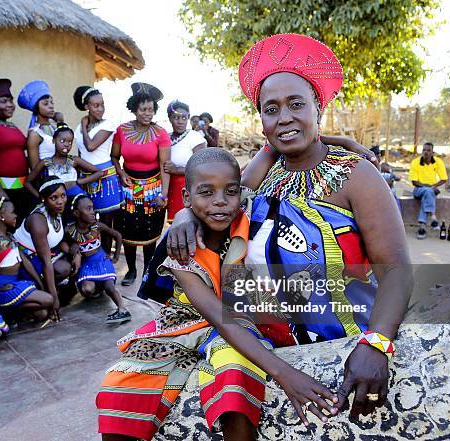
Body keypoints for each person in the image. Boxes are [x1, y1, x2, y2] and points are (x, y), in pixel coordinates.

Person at [167, 34, 413, 422]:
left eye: (296, 105)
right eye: (271, 109)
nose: (283, 117)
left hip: (350, 343)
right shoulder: (263, 174)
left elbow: (396, 268)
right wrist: (183, 217)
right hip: (276, 350)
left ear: (318, 106)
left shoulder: (357, 176)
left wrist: (377, 343)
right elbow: (213, 202)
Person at [97, 148, 340, 441]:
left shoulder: (246, 218)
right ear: (187, 198)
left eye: (230, 192)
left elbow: (275, 147)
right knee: (118, 387)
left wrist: (335, 139)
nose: (220, 201)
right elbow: (215, 316)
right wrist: (286, 374)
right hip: (184, 321)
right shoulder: (181, 247)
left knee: (234, 378)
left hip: (237, 318)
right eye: (206, 192)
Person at [111, 83, 171, 286]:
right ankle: (131, 270)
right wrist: (121, 173)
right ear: (134, 109)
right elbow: (114, 157)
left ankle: (147, 271)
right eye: (143, 109)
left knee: (150, 231)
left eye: (151, 110)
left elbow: (165, 166)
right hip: (128, 188)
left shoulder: (161, 133)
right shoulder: (121, 130)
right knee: (127, 229)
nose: (148, 113)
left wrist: (163, 194)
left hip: (152, 188)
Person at [14, 177, 79, 320]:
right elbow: (46, 262)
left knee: (68, 266)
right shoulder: (38, 220)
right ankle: (17, 303)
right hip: (24, 264)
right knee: (42, 313)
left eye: (63, 196)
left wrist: (75, 253)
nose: (60, 201)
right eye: (53, 198)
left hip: (39, 257)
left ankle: (45, 291)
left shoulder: (57, 212)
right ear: (43, 199)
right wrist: (54, 298)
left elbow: (58, 240)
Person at [0, 197, 55, 323]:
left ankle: (12, 311)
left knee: (42, 314)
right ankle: (5, 309)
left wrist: (41, 284)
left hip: (14, 285)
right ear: (1, 216)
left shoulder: (10, 237)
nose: (16, 215)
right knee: (49, 300)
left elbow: (25, 262)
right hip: (2, 288)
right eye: (12, 212)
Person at [73, 85, 124, 253]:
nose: (100, 108)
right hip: (86, 178)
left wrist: (83, 123)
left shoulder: (109, 124)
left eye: (102, 104)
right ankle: (89, 254)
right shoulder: (78, 129)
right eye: (95, 105)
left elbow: (91, 146)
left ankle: (106, 256)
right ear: (86, 106)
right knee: (85, 219)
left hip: (105, 179)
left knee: (106, 221)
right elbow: (80, 154)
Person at [66, 194, 131, 323]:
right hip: (87, 265)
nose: (93, 212)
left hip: (101, 260)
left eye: (92, 208)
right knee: (87, 290)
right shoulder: (70, 230)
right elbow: (65, 245)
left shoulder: (98, 226)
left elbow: (118, 235)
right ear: (77, 213)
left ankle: (123, 310)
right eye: (88, 209)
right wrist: (74, 249)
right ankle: (99, 286)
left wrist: (115, 257)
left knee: (110, 287)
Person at [0, 79, 35, 221]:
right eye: (4, 101)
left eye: (11, 100)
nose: (10, 105)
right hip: (3, 189)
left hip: (21, 188)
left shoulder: (12, 126)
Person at [25, 123, 102, 199]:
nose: (66, 145)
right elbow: (27, 182)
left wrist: (80, 181)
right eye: (62, 141)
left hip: (76, 198)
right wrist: (41, 198)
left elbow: (99, 172)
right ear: (53, 140)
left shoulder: (74, 160)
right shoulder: (45, 162)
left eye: (70, 142)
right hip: (57, 202)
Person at [163, 100, 207, 222]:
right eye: (176, 117)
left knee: (187, 225)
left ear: (188, 117)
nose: (180, 121)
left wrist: (176, 170)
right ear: (169, 118)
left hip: (188, 189)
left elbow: (202, 166)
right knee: (173, 226)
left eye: (184, 117)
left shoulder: (195, 137)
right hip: (168, 188)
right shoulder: (165, 137)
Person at [409, 142, 447, 239]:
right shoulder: (415, 162)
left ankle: (422, 228)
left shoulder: (438, 162)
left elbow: (444, 178)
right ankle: (433, 217)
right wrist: (430, 187)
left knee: (427, 194)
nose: (426, 152)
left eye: (428, 150)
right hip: (418, 190)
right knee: (428, 192)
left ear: (432, 152)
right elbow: (414, 182)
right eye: (424, 150)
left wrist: (434, 186)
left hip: (430, 191)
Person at [18, 80, 56, 168]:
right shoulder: (35, 134)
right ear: (36, 108)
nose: (51, 106)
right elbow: (34, 168)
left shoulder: (54, 126)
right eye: (46, 103)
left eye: (52, 102)